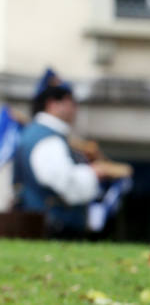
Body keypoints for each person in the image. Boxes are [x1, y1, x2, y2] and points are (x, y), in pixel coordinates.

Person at [12, 68, 131, 236]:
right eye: (71, 102)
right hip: (54, 229)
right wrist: (94, 173)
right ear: (52, 104)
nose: (75, 108)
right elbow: (64, 183)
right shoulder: (48, 139)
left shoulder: (41, 134)